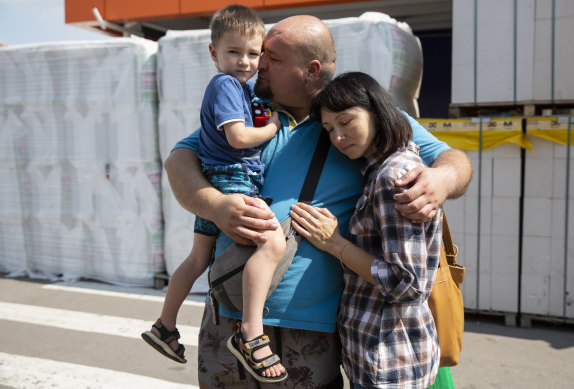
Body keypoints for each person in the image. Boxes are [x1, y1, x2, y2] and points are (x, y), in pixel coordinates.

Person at [164, 14, 473, 389]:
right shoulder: (251, 114)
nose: (258, 63)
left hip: (312, 328)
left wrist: (441, 179)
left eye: (272, 58)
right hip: (228, 314)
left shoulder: (361, 118)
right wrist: (215, 206)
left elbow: (454, 159)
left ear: (310, 69)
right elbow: (179, 159)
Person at [142, 5, 287, 381]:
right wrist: (272, 126)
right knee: (272, 243)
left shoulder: (241, 88)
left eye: (253, 54)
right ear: (213, 53)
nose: (244, 62)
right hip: (233, 178)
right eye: (234, 52)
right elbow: (238, 137)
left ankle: (165, 325)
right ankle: (251, 334)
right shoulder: (224, 85)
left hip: (217, 178)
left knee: (196, 259)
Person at [289, 71, 441, 388]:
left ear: (376, 111)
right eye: (330, 129)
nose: (338, 137)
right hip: (379, 354)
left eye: (346, 122)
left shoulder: (392, 176)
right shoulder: (378, 170)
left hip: (390, 360)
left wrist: (335, 244)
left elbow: (406, 284)